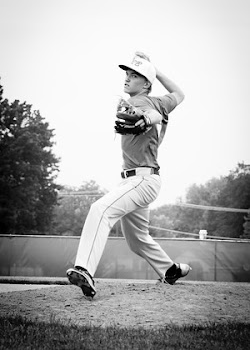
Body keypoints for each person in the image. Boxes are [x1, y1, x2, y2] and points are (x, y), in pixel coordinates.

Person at [66, 52, 191, 298]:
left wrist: (150, 118)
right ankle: (171, 270)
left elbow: (154, 115)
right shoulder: (157, 101)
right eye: (127, 74)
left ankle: (84, 270)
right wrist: (154, 69)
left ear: (146, 83)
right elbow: (179, 95)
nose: (128, 78)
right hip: (134, 179)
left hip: (143, 180)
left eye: (135, 76)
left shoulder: (147, 104)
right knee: (137, 239)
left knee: (100, 210)